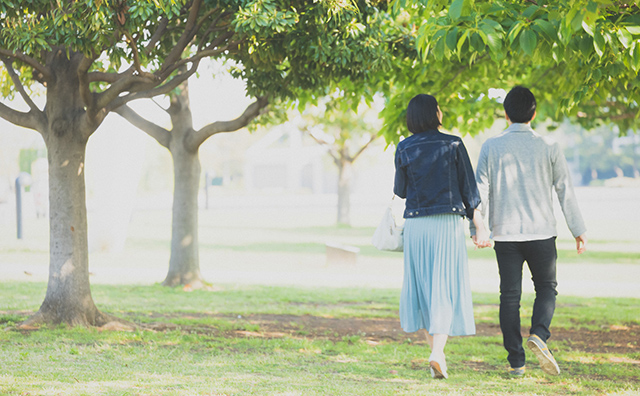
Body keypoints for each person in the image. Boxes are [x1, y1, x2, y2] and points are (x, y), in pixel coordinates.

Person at [471, 86, 587, 377]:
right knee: (546, 288)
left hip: (506, 235)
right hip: (541, 232)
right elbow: (564, 190)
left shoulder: (491, 146)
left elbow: (479, 192)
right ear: (534, 114)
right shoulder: (549, 146)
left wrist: (478, 227)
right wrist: (578, 229)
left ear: (506, 115)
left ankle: (517, 363)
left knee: (509, 296)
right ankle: (539, 334)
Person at [394, 94, 490, 379]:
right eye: (439, 108)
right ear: (434, 114)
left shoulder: (403, 147)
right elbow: (469, 190)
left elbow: (400, 191)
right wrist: (479, 226)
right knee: (444, 288)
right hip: (446, 224)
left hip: (415, 226)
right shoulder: (453, 143)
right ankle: (437, 353)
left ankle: (439, 356)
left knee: (424, 291)